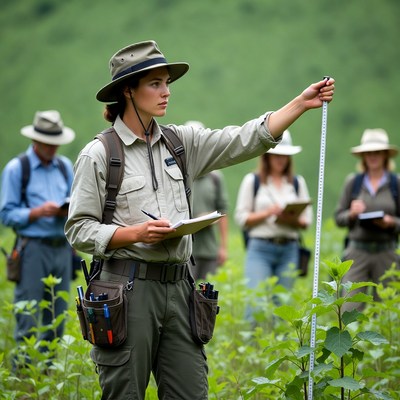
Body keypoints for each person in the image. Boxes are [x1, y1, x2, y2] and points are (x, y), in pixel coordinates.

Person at [64, 39, 334, 399]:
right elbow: (78, 229)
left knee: (191, 393)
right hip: (126, 292)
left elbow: (242, 139)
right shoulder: (99, 154)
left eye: (167, 83)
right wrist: (135, 234)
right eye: (155, 84)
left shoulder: (181, 143)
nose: (166, 92)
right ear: (128, 90)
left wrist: (301, 104)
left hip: (181, 289)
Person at [0, 110, 75, 365]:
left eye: (56, 143)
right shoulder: (16, 169)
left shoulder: (65, 167)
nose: (53, 148)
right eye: (48, 143)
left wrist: (66, 210)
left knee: (57, 317)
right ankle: (23, 378)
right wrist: (35, 213)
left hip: (62, 249)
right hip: (32, 249)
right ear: (36, 141)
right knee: (28, 315)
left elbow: (76, 203)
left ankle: (48, 374)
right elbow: (6, 214)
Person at [235, 130, 312, 318]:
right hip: (260, 248)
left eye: (284, 156)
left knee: (282, 307)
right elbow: (241, 218)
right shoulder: (252, 181)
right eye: (276, 155)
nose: (280, 160)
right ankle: (253, 345)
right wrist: (268, 213)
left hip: (289, 249)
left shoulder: (296, 183)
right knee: (255, 305)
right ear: (267, 157)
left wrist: (289, 218)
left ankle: (280, 346)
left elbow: (306, 221)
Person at [334, 128, 400, 312]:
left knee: (388, 311)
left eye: (377, 152)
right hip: (357, 253)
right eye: (369, 152)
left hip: (387, 253)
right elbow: (339, 217)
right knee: (349, 309)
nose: (373, 156)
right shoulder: (353, 183)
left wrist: (391, 222)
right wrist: (352, 214)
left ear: (385, 155)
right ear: (363, 156)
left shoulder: (396, 184)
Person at [185, 120, 229, 281]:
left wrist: (223, 247)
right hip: (186, 250)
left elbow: (223, 211)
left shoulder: (215, 178)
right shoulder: (179, 176)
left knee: (205, 298)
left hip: (209, 250)